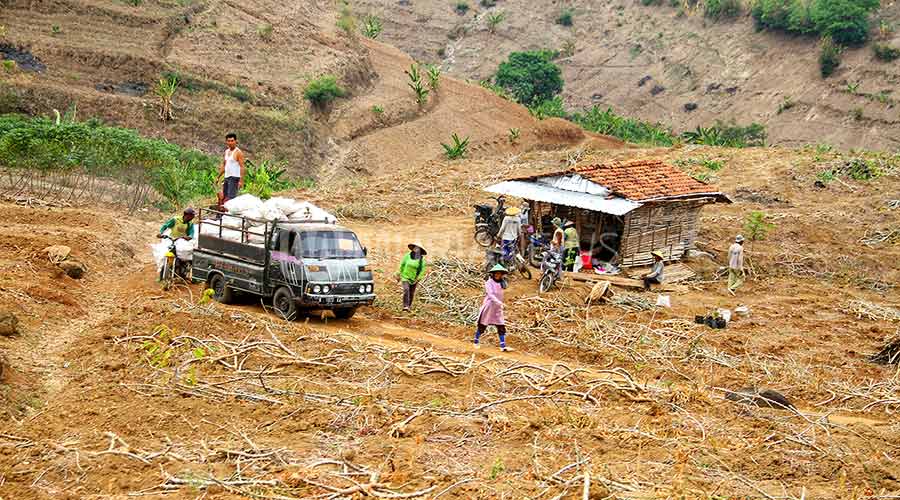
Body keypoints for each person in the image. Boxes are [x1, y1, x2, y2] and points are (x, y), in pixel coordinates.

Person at [474, 264, 512, 351]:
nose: (498, 275)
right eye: (496, 273)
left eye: (500, 274)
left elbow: (501, 295)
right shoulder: (489, 283)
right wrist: (500, 303)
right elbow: (490, 295)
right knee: (483, 325)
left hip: (497, 308)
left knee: (501, 326)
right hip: (489, 307)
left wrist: (500, 304)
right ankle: (476, 341)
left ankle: (503, 346)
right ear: (493, 274)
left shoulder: (502, 283)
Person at [396, 243, 427, 311]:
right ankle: (405, 306)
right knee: (406, 290)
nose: (416, 249)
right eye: (415, 247)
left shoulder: (421, 260)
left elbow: (422, 270)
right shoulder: (407, 256)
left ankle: (409, 306)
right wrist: (398, 273)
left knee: (411, 293)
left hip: (414, 278)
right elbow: (402, 265)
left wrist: (418, 279)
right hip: (405, 276)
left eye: (418, 248)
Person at [219, 132, 246, 207]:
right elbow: (224, 165)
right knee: (225, 196)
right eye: (228, 141)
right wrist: (218, 176)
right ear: (226, 142)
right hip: (227, 177)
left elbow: (242, 167)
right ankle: (225, 212)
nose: (230, 143)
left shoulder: (238, 152)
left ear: (235, 141)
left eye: (232, 141)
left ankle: (231, 213)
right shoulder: (226, 151)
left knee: (231, 198)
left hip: (234, 177)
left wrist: (241, 180)